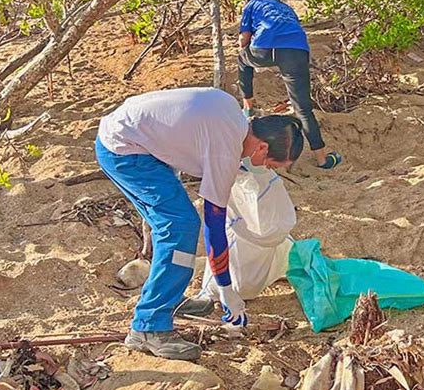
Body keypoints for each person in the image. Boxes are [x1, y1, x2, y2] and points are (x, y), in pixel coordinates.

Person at [95, 86, 304, 361]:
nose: (267, 169)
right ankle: (149, 327)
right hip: (126, 151)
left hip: (135, 137)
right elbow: (214, 229)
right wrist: (228, 292)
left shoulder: (234, 116)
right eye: (272, 165)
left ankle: (167, 298)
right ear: (262, 147)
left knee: (170, 226)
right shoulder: (225, 149)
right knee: (180, 227)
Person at [238, 0, 341, 170]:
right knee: (303, 109)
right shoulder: (286, 9)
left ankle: (248, 108)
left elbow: (244, 40)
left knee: (242, 60)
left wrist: (248, 52)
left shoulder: (252, 4)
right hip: (296, 50)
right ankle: (322, 159)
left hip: (264, 47)